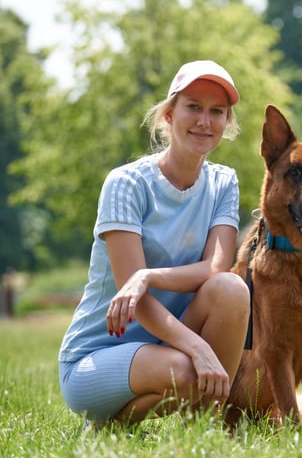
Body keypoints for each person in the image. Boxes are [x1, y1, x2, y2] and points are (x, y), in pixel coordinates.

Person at [58, 60, 251, 427]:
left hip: (167, 345)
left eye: (217, 112)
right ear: (168, 114)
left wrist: (149, 275)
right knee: (190, 373)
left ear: (227, 124)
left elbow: (214, 268)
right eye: (193, 107)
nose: (204, 121)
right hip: (97, 356)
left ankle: (206, 429)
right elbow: (136, 303)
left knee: (231, 288)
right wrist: (199, 350)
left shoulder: (223, 182)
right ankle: (111, 421)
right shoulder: (126, 183)